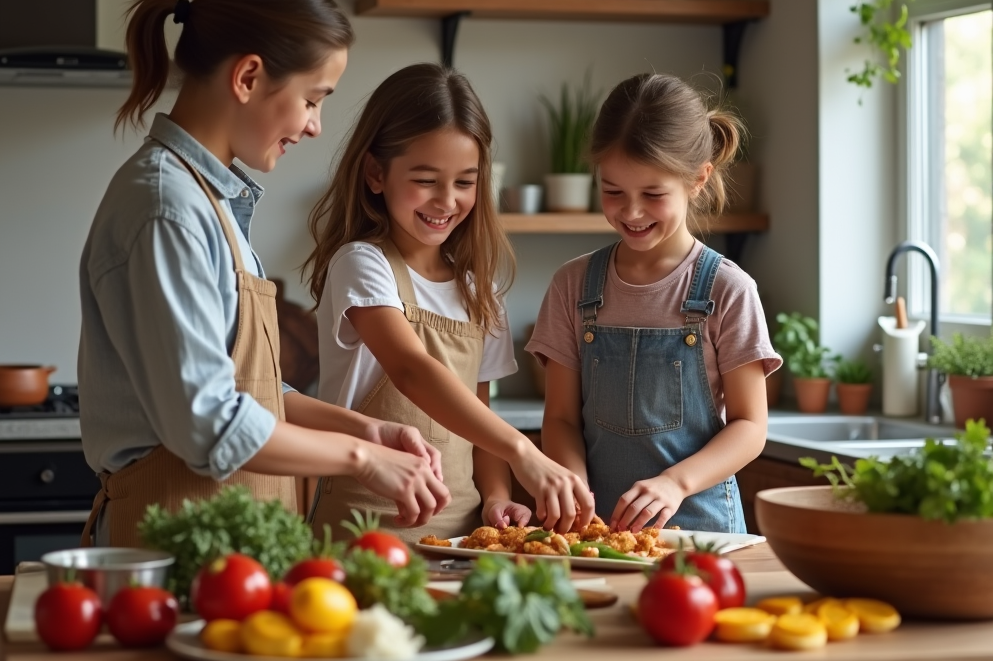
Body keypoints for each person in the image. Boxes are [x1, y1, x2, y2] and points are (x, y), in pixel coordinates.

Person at [78, 0, 449, 548]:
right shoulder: (166, 210)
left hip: (226, 555)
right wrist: (358, 458)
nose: (315, 126)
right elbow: (209, 425)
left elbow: (252, 395)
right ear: (248, 77)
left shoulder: (210, 202)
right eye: (312, 98)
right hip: (169, 551)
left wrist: (369, 430)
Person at [304, 63, 594, 541]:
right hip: (363, 533)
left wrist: (498, 494)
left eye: (465, 182)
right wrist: (524, 452)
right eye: (425, 179)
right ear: (376, 173)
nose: (446, 200)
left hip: (460, 541)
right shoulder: (361, 264)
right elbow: (412, 370)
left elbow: (478, 418)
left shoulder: (478, 292)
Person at [526, 73, 780, 534]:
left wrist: (674, 483)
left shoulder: (728, 289)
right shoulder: (572, 285)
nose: (631, 212)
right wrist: (573, 488)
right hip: (597, 529)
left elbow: (750, 426)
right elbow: (560, 418)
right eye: (613, 191)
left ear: (698, 179)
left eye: (653, 194)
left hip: (702, 531)